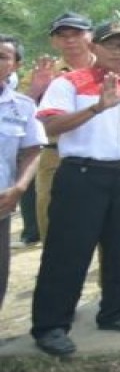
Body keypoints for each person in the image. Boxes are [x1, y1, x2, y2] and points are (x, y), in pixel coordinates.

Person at [29, 21, 120, 356]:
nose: (119, 51)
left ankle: (115, 310)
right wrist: (96, 107)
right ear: (94, 47)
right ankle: (51, 326)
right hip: (83, 176)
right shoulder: (68, 82)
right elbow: (51, 126)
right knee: (67, 252)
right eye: (111, 45)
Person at [23, 13, 96, 246]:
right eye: (62, 36)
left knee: (104, 228)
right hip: (55, 155)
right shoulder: (44, 73)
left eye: (77, 34)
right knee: (53, 223)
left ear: (91, 36)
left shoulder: (110, 68)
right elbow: (16, 115)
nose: (70, 40)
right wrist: (35, 91)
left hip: (102, 157)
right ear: (53, 41)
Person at [0, 35, 45, 310]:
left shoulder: (23, 107)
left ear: (15, 65)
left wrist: (19, 187)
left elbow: (32, 150)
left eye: (3, 57)